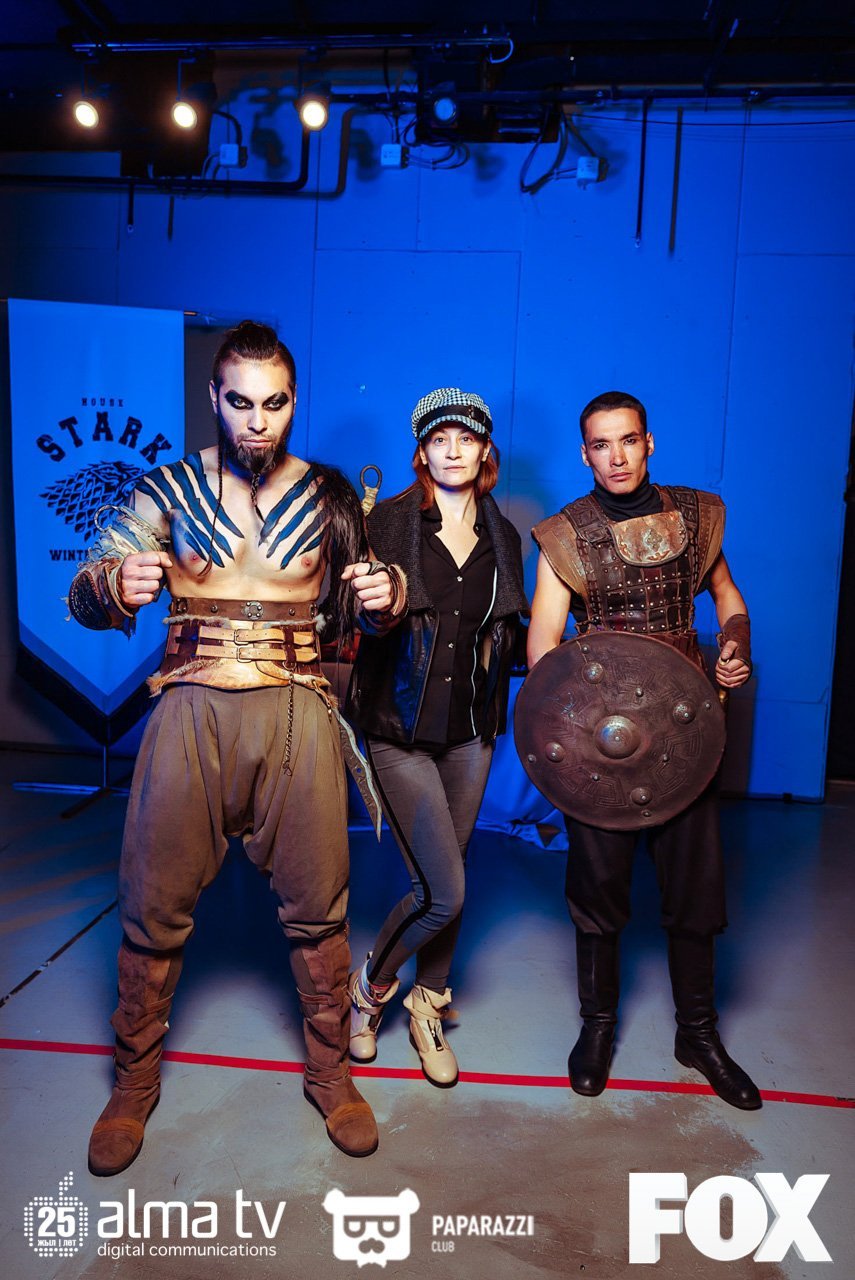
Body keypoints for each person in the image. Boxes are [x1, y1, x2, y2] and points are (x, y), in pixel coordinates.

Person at [68, 320, 405, 1172]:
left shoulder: (330, 497)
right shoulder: (167, 489)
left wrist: (387, 592)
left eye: (275, 403)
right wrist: (115, 584)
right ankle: (132, 1084)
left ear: (294, 402)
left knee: (319, 901)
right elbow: (84, 592)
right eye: (242, 403)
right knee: (153, 900)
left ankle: (330, 1076)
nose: (258, 421)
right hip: (191, 705)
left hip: (295, 708)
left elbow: (368, 607)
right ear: (214, 398)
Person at [527, 390, 761, 1110]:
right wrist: (574, 735)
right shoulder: (566, 535)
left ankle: (698, 1034)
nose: (617, 457)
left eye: (628, 440)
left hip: (686, 730)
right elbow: (543, 646)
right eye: (601, 445)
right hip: (602, 742)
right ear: (584, 454)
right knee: (597, 891)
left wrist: (735, 642)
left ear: (649, 442)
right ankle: (597, 1029)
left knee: (695, 890)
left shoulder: (695, 515)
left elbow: (727, 597)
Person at [346, 388, 528, 1085]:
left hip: (470, 734)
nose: (452, 451)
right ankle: (370, 990)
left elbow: (508, 638)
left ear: (485, 451)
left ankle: (428, 1003)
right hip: (398, 728)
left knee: (450, 874)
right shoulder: (386, 524)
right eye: (438, 439)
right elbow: (352, 616)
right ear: (421, 451)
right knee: (442, 891)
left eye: (466, 438)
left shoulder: (504, 539)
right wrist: (374, 606)